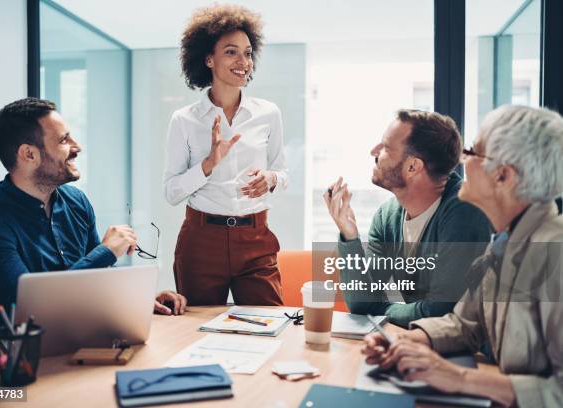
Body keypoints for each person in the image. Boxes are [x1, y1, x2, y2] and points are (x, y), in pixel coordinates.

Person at [362, 105, 563, 407]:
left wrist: (459, 377)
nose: (460, 160)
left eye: (472, 152)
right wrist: (408, 340)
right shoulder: (505, 242)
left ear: (503, 176)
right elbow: (465, 324)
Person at [0, 98, 187, 356]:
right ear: (29, 154)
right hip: (16, 364)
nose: (76, 147)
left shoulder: (76, 201)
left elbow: (96, 285)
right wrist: (104, 252)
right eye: (63, 140)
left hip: (78, 347)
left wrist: (138, 303)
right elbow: (29, 315)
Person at [164, 5, 288, 306]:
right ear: (208, 59)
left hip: (256, 238)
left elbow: (283, 173)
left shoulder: (268, 114)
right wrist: (208, 165)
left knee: (270, 324)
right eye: (231, 52)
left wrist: (270, 179)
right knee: (196, 331)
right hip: (201, 241)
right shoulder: (184, 120)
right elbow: (171, 192)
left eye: (247, 53)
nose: (243, 62)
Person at [325, 110, 492, 327]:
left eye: (385, 147)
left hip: (469, 355)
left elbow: (439, 312)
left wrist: (381, 311)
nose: (373, 152)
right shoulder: (387, 217)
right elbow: (361, 304)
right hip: (418, 343)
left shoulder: (465, 211)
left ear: (413, 166)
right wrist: (350, 237)